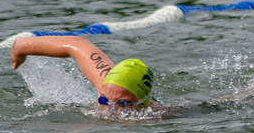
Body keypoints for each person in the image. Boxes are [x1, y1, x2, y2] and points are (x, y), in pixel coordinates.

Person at [10, 35, 159, 111]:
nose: (110, 110)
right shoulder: (108, 83)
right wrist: (21, 47)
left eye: (123, 104)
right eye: (103, 101)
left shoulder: (157, 117)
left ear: (141, 102)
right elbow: (78, 44)